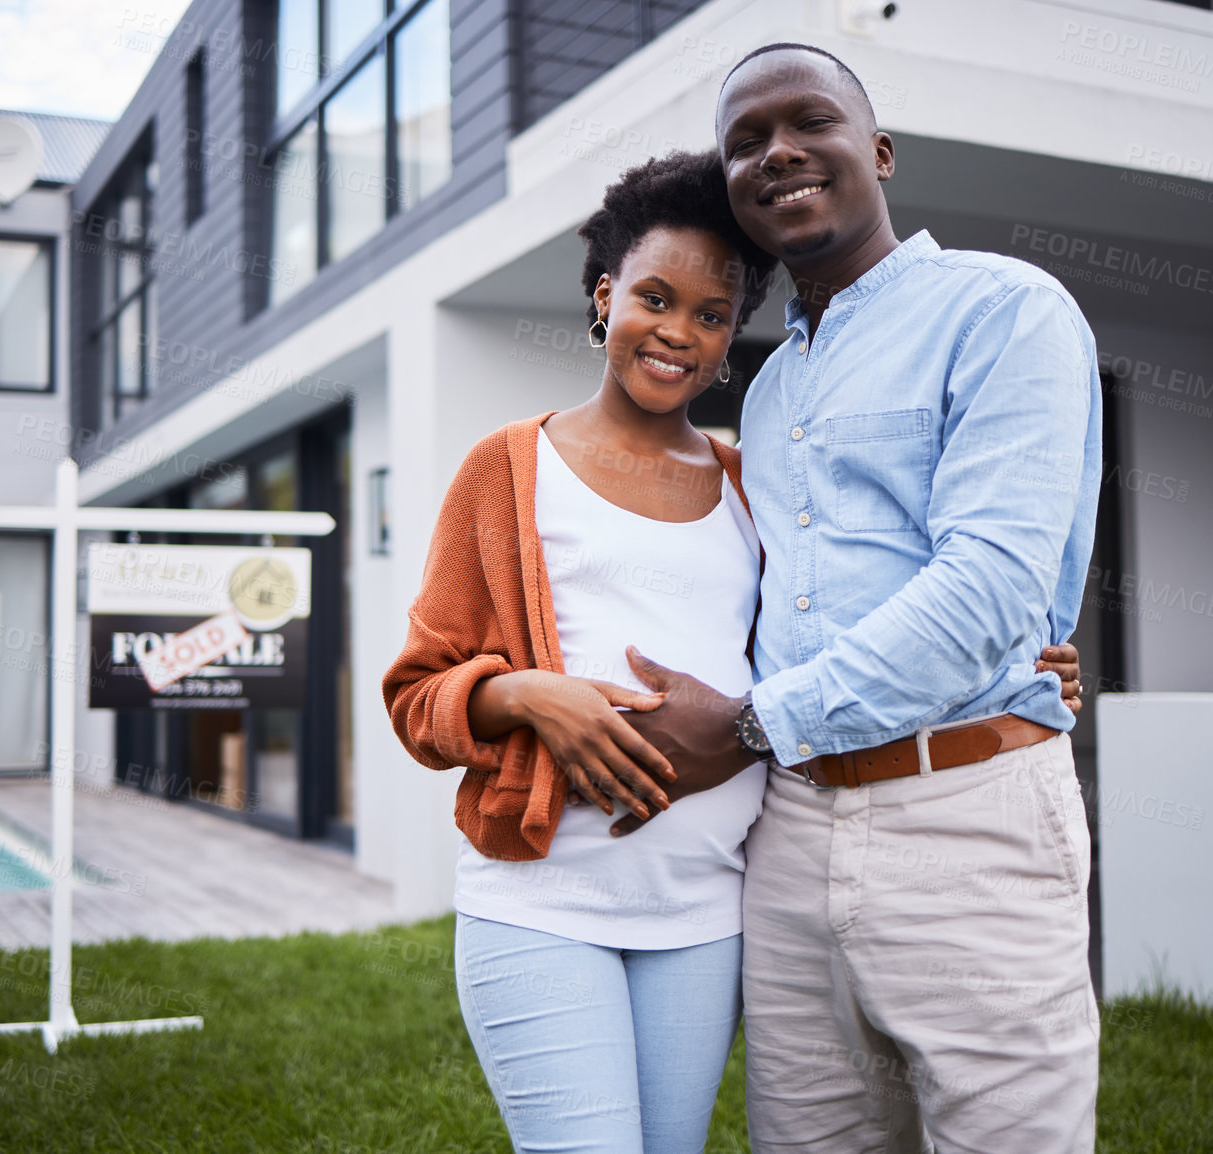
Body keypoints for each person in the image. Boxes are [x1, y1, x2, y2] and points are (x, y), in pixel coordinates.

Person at [383, 150, 1085, 1153]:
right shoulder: (507, 468)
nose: (678, 332)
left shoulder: (751, 481)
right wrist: (532, 694)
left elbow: (828, 624)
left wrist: (1025, 662)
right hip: (546, 899)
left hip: (708, 911)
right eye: (655, 298)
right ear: (604, 295)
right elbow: (419, 692)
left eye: (712, 315)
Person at [610, 43, 1106, 1153]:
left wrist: (745, 725)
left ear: (876, 151)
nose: (777, 150)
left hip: (965, 807)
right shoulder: (769, 383)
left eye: (809, 122)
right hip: (788, 835)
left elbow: (987, 588)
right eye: (745, 141)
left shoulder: (1004, 309)